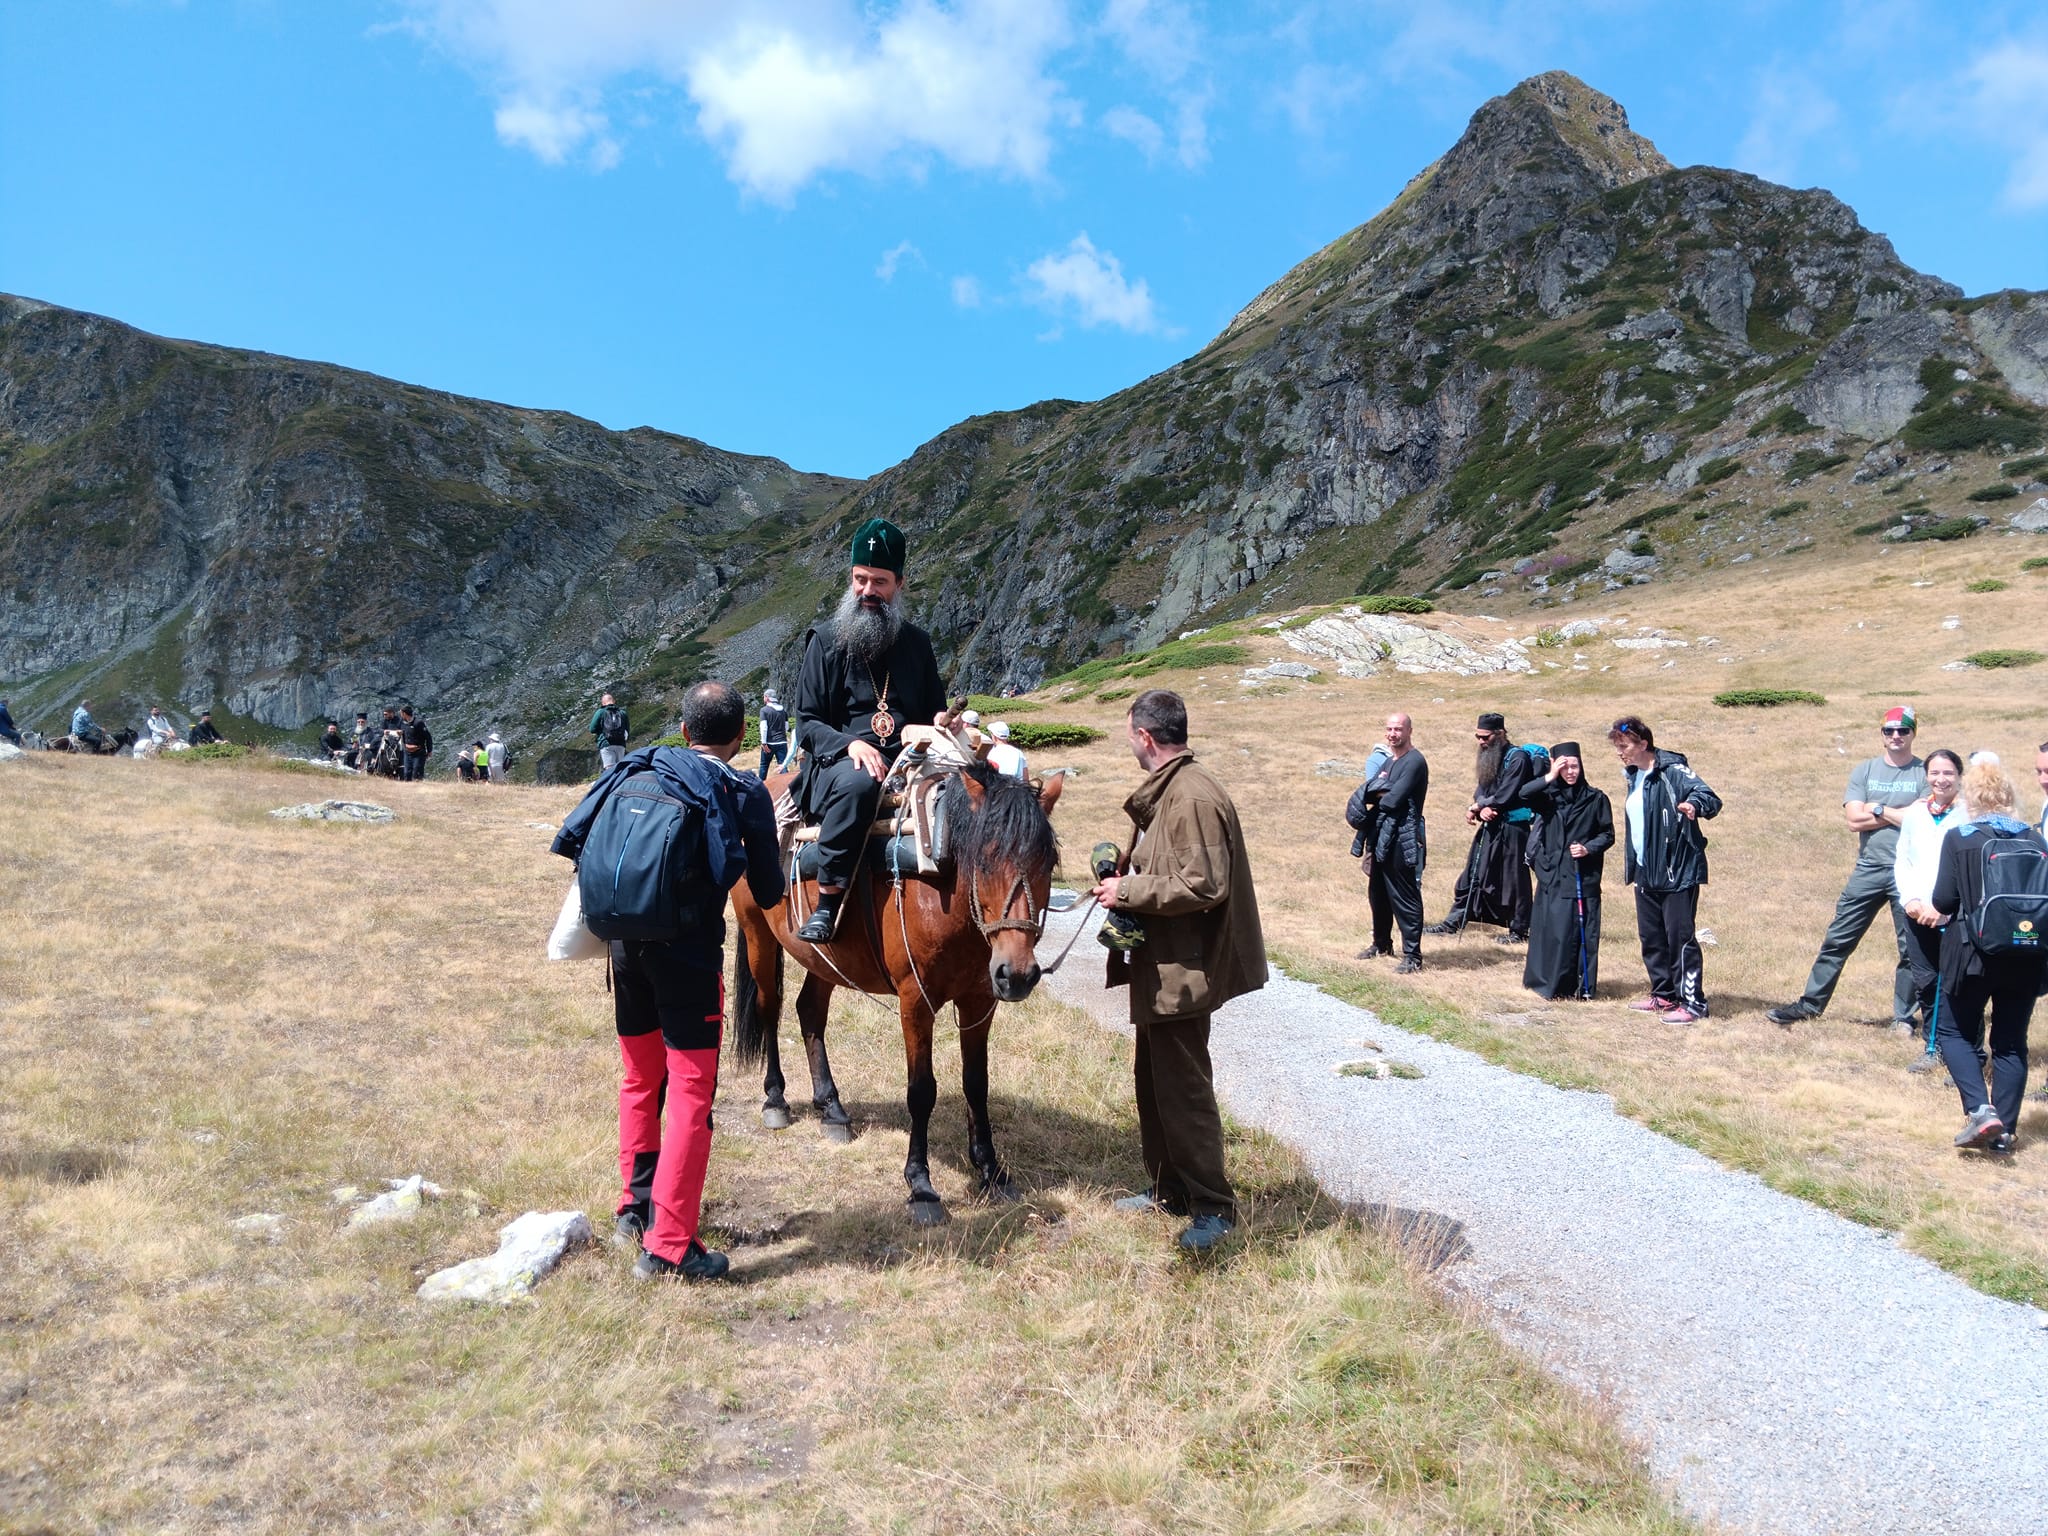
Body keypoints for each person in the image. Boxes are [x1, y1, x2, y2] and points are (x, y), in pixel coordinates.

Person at [554, 680, 785, 1280]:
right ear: (740, 738)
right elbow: (766, 893)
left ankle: (634, 1206)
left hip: (624, 950)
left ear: (683, 731)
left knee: (639, 1078)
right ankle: (671, 1243)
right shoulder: (741, 787)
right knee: (689, 1095)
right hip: (687, 958)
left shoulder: (637, 769)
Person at [1090, 689, 1267, 1253]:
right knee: (1155, 1082)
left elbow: (1204, 884)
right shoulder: (1175, 790)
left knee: (1185, 1089)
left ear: (1145, 736)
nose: (1129, 742)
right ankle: (1169, 1190)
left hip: (1182, 971)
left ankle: (1214, 1207)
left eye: (1129, 733)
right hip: (1164, 965)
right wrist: (1127, 872)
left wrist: (1129, 890)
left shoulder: (1190, 796)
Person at [789, 517, 947, 942]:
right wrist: (850, 745)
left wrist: (935, 725)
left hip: (908, 760)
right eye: (860, 580)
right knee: (861, 782)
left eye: (879, 581)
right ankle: (828, 901)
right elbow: (808, 722)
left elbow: (936, 710)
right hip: (838, 764)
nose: (867, 591)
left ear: (899, 583)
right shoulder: (825, 640)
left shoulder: (917, 644)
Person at [1765, 707, 1927, 1029]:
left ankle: (1904, 1018)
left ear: (1913, 734)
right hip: (1868, 869)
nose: (1896, 736)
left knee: (1911, 949)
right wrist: (1899, 813)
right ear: (1881, 734)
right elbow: (1853, 821)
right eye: (1889, 731)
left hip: (1909, 873)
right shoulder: (1864, 771)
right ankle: (1810, 1005)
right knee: (1837, 939)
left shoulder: (1925, 773)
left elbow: (1919, 819)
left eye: (1903, 731)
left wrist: (1877, 808)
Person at [1927, 759, 2048, 1150]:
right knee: (2011, 1042)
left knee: (1954, 1031)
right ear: (2009, 796)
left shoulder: (1961, 837)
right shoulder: (2035, 840)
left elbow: (1943, 899)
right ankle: (2006, 1133)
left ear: (1970, 797)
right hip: (2028, 952)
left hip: (1972, 953)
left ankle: (1981, 1111)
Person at [1611, 715, 1721, 1023]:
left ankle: (1694, 1003)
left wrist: (1693, 806)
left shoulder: (1673, 771)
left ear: (1643, 744)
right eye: (1618, 746)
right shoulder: (1634, 776)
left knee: (1680, 938)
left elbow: (1709, 797)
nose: (1621, 751)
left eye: (1626, 745)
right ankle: (1664, 995)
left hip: (1677, 870)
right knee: (1652, 936)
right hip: (1647, 871)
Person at [1426, 712, 1535, 944]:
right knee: (1472, 874)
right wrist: (1477, 807)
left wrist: (1483, 806)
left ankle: (1519, 930)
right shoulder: (1488, 756)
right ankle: (1454, 921)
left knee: (1515, 880)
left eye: (1485, 737)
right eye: (1478, 737)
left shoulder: (1518, 758)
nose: (1481, 742)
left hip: (1515, 828)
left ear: (1500, 734)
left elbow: (1507, 792)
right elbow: (1483, 789)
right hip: (1492, 825)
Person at [1518, 743, 1615, 1000]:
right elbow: (1524, 794)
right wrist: (1549, 776)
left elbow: (1608, 834)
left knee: (1572, 932)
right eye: (1565, 767)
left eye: (1574, 766)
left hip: (1580, 874)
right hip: (1551, 874)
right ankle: (1542, 980)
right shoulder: (1549, 798)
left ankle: (1577, 986)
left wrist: (1587, 848)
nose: (1570, 772)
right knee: (1548, 930)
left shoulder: (1596, 799)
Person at [1893, 748, 1964, 1062]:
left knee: (1958, 983)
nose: (1941, 779)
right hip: (1917, 910)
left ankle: (1963, 1050)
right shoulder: (1916, 813)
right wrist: (1909, 898)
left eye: (1948, 773)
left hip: (1955, 914)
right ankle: (1932, 1047)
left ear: (1959, 777)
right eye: (1934, 773)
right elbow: (1902, 859)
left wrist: (1946, 907)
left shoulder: (1969, 815)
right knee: (1926, 981)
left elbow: (1969, 868)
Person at [1352, 713, 1429, 974]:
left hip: (1403, 836)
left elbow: (1394, 799)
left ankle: (1413, 956)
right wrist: (1381, 790)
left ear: (1409, 730)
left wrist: (1381, 792)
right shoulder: (1387, 760)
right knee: (1378, 893)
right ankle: (1381, 944)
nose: (1393, 733)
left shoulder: (1415, 761)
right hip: (1381, 834)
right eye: (1389, 729)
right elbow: (1373, 789)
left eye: (1398, 729)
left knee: (1404, 895)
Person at [590, 693, 631, 773]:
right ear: (614, 701)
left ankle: (611, 784)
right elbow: (627, 730)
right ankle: (620, 784)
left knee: (610, 770)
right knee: (620, 770)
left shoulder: (600, 712)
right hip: (620, 744)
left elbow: (592, 729)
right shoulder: (622, 713)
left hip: (606, 743)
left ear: (603, 703)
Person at [757, 688, 789, 778]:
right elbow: (786, 727)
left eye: (764, 696)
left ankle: (760, 788)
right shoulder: (783, 710)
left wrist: (763, 742)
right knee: (782, 765)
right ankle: (787, 787)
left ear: (767, 698)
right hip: (782, 742)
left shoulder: (764, 710)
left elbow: (763, 727)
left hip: (769, 743)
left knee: (764, 765)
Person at [399, 706, 432, 782]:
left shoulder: (418, 723)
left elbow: (428, 737)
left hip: (418, 753)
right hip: (407, 753)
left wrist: (429, 750)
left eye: (401, 713)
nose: (400, 715)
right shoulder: (403, 723)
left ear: (404, 713)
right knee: (407, 773)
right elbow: (403, 735)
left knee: (417, 773)